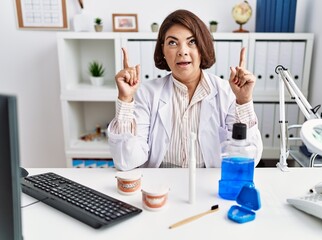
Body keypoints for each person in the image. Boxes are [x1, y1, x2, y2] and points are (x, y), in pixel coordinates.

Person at [107, 9, 263, 171]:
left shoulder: (227, 92)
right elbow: (126, 161)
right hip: (159, 185)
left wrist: (244, 102)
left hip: (208, 183)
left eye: (192, 42)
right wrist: (125, 100)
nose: (182, 51)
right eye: (173, 43)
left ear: (202, 48)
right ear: (163, 51)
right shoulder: (147, 93)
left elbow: (247, 160)